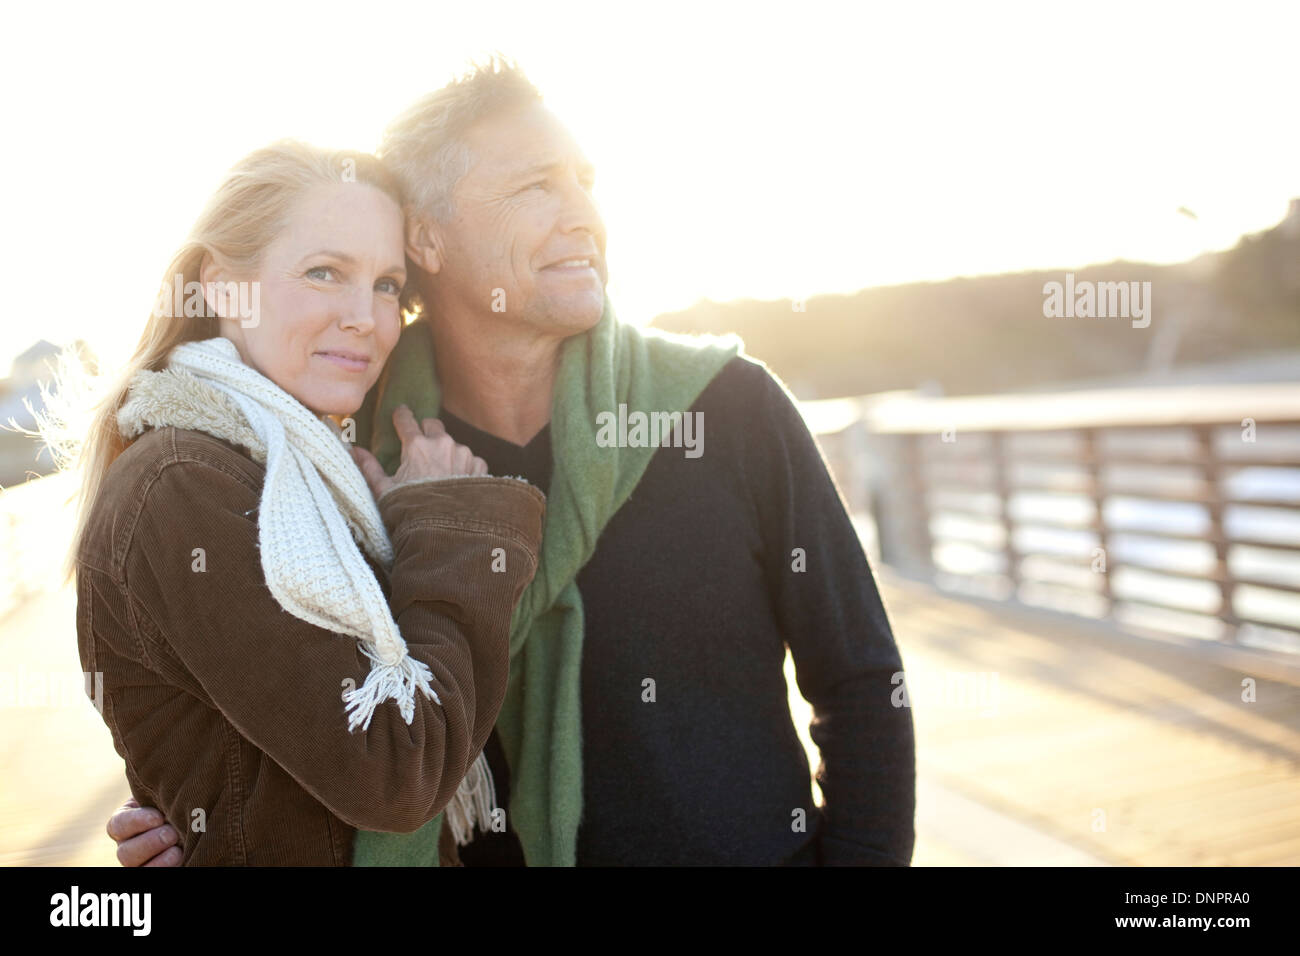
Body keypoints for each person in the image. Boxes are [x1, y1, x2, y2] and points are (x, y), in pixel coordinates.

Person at [111, 59, 916, 867]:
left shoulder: (725, 407)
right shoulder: (347, 461)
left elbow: (862, 683)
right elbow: (298, 724)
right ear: (427, 236)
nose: (584, 214)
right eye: (536, 187)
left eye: (585, 180)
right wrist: (197, 827)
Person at [61, 140, 545, 865]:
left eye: (388, 285)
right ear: (224, 287)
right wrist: (447, 518)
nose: (365, 317)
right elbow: (395, 770)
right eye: (325, 272)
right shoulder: (183, 485)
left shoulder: (307, 477)